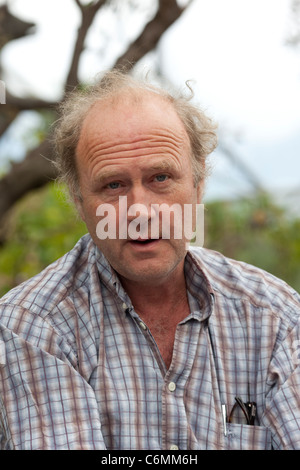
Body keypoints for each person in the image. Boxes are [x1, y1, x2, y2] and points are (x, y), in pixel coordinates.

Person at [0, 70, 300, 451]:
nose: (139, 210)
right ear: (78, 201)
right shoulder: (32, 328)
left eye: (160, 178)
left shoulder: (275, 317)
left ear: (198, 184)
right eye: (113, 185)